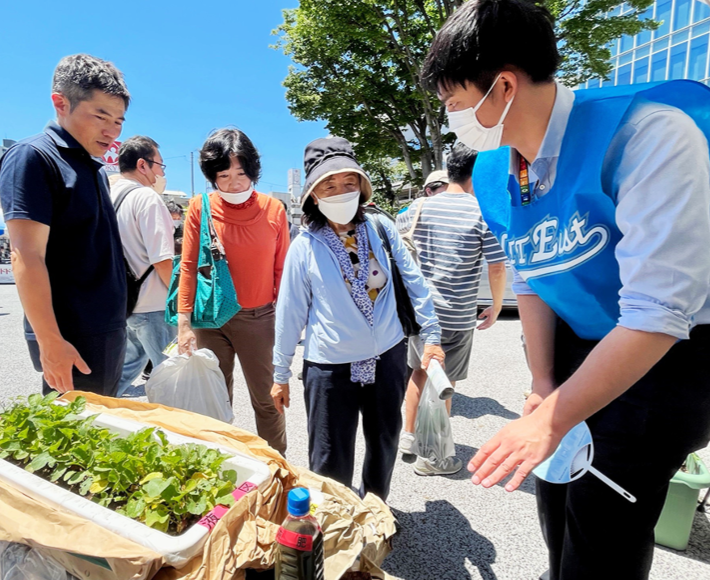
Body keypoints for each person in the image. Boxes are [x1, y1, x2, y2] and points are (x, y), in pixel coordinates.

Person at [421, 1, 710, 579]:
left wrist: (551, 419)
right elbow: (530, 274)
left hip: (662, 360)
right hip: (579, 344)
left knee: (603, 533)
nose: (450, 120)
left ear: (502, 86)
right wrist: (544, 384)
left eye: (453, 105)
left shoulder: (646, 133)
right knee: (555, 506)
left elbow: (658, 312)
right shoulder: (496, 169)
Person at [271, 137, 444, 500]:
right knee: (330, 454)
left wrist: (432, 334)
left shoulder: (382, 230)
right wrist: (280, 373)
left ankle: (376, 511)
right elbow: (290, 313)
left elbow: (414, 280)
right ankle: (335, 523)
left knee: (384, 440)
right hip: (329, 365)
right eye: (328, 185)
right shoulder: (304, 246)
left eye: (349, 183)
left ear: (362, 187)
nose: (341, 192)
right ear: (313, 196)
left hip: (388, 355)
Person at [0, 54, 130, 396]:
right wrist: (49, 340)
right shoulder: (34, 156)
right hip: (74, 332)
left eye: (118, 121)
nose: (112, 130)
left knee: (104, 436)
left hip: (107, 328)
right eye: (101, 115)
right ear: (61, 103)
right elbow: (25, 254)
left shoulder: (93, 167)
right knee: (75, 439)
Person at [397, 143, 508, 476]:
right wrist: (497, 304)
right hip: (459, 315)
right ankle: (435, 456)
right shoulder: (481, 211)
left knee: (419, 373)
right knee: (445, 382)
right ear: (479, 172)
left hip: (422, 313)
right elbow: (497, 266)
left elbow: (395, 239)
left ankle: (408, 436)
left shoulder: (420, 206)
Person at [178, 129, 289, 455]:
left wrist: (287, 326)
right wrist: (184, 324)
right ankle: (220, 465)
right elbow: (188, 266)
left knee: (267, 399)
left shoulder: (274, 210)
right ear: (212, 177)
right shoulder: (200, 207)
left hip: (259, 318)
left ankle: (276, 467)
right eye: (223, 175)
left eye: (240, 173)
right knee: (214, 397)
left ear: (253, 171)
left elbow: (282, 271)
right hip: (211, 318)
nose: (233, 183)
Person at [110, 136, 176, 396]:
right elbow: (161, 259)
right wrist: (181, 298)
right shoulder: (147, 198)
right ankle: (174, 431)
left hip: (123, 301)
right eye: (159, 165)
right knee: (171, 374)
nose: (160, 172)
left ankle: (97, 412)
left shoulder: (108, 195)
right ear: (142, 165)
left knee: (126, 366)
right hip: (153, 303)